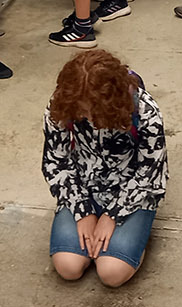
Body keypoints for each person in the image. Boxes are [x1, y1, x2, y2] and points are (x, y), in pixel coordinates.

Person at [42, 50, 167, 288]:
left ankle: (136, 237)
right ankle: (113, 241)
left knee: (111, 273)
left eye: (92, 109)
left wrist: (112, 216)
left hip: (132, 193)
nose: (85, 116)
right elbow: (56, 161)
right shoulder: (63, 103)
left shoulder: (145, 112)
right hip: (82, 188)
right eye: (81, 110)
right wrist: (83, 211)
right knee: (68, 267)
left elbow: (150, 175)